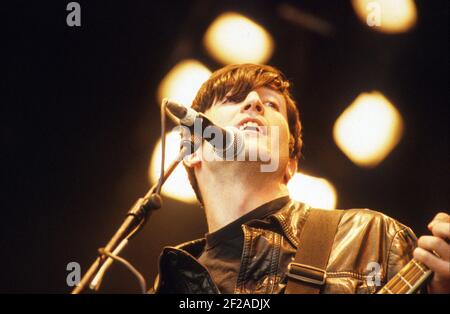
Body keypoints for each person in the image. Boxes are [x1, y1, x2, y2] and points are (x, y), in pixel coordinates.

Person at [151, 64, 449, 294]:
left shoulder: (371, 238)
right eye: (233, 99)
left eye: (271, 105)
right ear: (192, 149)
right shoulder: (172, 284)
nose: (254, 102)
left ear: (290, 163)